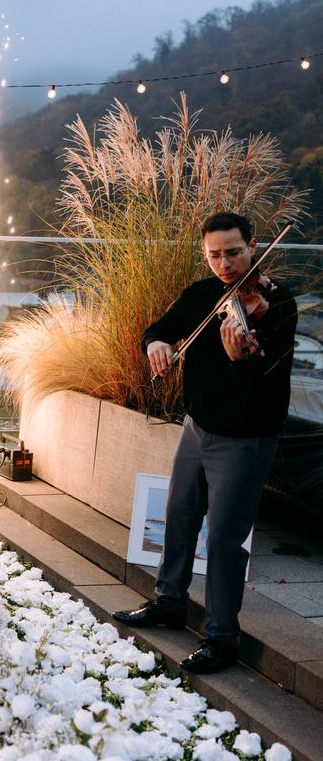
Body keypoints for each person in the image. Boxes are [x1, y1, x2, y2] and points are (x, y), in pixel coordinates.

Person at [112, 212, 297, 674]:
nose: (226, 264)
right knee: (179, 518)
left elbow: (266, 378)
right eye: (215, 255)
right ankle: (170, 603)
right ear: (205, 253)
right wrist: (154, 344)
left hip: (246, 438)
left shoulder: (278, 304)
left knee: (225, 540)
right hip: (198, 428)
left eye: (233, 252)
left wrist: (241, 358)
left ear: (252, 246)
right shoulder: (201, 294)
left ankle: (221, 639)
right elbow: (159, 328)